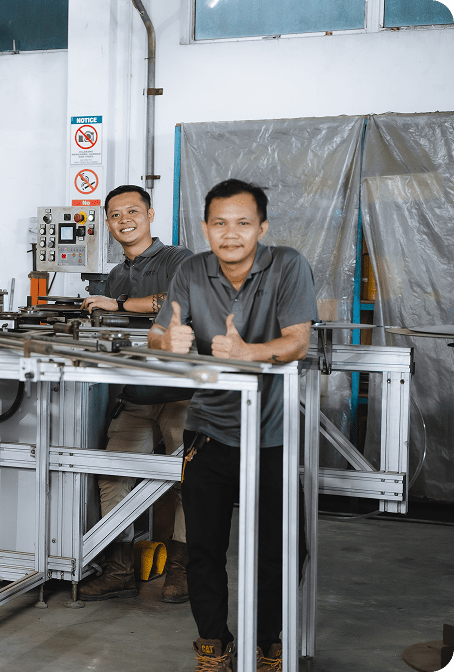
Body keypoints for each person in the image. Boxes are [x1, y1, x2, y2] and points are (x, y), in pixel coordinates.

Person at [148, 179, 316, 671]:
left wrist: (248, 354)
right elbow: (160, 334)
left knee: (282, 550)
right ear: (205, 228)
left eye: (243, 223)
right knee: (203, 548)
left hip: (272, 436)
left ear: (261, 227)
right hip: (209, 431)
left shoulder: (287, 265)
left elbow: (297, 342)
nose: (231, 233)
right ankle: (213, 644)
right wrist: (169, 343)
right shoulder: (191, 272)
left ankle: (268, 641)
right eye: (220, 223)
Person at [77, 184, 194, 603]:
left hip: (182, 391)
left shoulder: (179, 259)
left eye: (132, 211)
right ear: (107, 223)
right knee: (113, 474)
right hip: (136, 393)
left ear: (150, 214)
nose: (124, 219)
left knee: (189, 481)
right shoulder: (115, 274)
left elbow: (178, 301)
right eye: (115, 214)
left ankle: (182, 570)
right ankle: (120, 567)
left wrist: (118, 305)